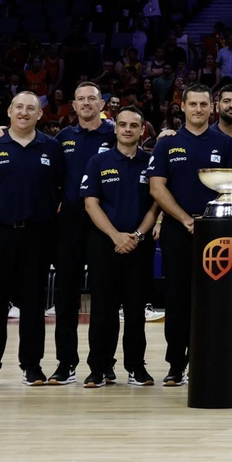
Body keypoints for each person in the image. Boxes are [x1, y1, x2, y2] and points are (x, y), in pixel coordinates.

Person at [0, 91, 65, 387]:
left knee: (33, 304)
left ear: (40, 114)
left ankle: (32, 367)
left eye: (31, 108)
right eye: (19, 107)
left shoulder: (52, 148)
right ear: (9, 111)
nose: (24, 112)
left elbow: (61, 194)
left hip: (38, 235)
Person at [147, 84, 232, 386]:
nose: (198, 109)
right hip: (178, 232)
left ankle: (214, 360)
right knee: (177, 300)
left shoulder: (224, 144)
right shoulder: (166, 144)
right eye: (193, 104)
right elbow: (156, 188)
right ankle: (176, 364)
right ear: (182, 107)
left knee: (216, 300)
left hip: (217, 235)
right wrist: (186, 219)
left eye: (203, 104)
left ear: (212, 108)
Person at [79, 105, 158, 387]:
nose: (127, 129)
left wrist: (136, 235)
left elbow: (156, 204)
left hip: (138, 246)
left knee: (136, 310)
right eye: (122, 124)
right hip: (104, 244)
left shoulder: (151, 163)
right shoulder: (98, 162)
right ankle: (99, 368)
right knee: (102, 309)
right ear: (115, 128)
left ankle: (137, 367)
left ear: (142, 130)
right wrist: (116, 236)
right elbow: (90, 203)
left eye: (133, 126)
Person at [51, 81, 114, 386]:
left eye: (92, 98)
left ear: (102, 104)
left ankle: (103, 363)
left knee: (105, 296)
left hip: (104, 223)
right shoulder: (62, 138)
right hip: (70, 224)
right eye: (80, 99)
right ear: (73, 106)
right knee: (66, 297)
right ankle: (66, 363)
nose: (86, 103)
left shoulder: (116, 134)